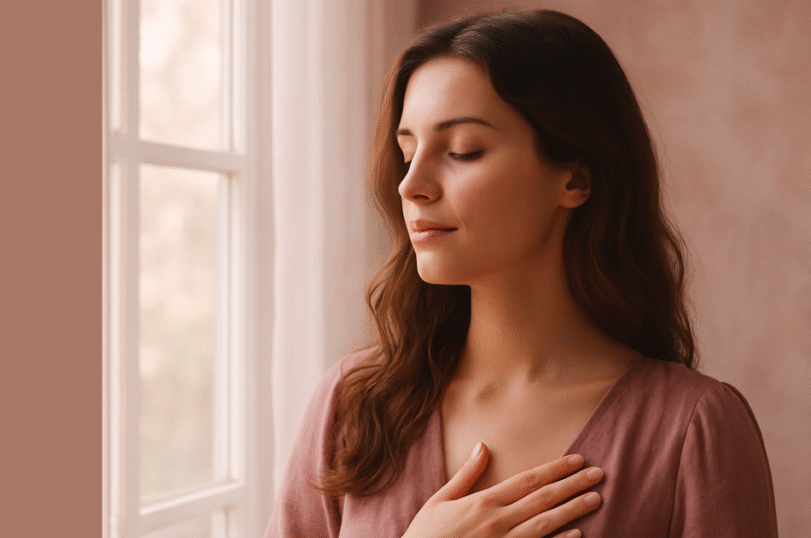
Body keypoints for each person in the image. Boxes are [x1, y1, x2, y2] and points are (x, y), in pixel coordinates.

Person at [266, 9, 778, 538]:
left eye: (463, 151)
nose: (410, 184)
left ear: (576, 178)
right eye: (407, 152)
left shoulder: (693, 429)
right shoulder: (352, 405)